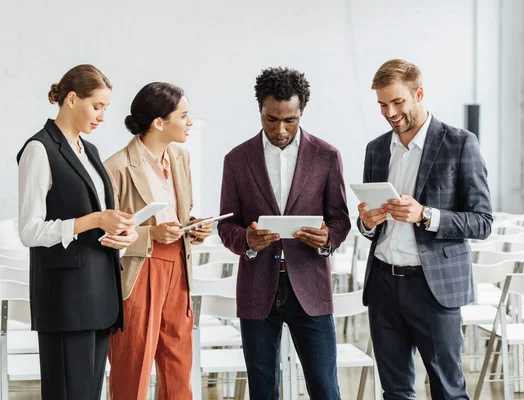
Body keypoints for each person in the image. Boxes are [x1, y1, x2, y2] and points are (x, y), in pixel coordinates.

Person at [358, 59, 493, 399]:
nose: (389, 112)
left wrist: (425, 215)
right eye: (382, 104)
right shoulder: (376, 149)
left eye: (397, 101)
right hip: (384, 285)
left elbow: (482, 221)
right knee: (395, 392)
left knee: (448, 390)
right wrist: (366, 222)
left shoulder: (460, 144)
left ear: (418, 94)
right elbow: (369, 225)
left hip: (433, 289)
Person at [218, 67, 351, 399]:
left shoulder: (326, 156)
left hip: (310, 286)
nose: (279, 129)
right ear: (260, 110)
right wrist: (246, 240)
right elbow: (226, 225)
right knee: (263, 389)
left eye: (289, 120)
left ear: (302, 111)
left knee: (324, 386)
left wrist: (328, 238)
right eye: (271, 119)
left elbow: (340, 219)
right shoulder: (236, 159)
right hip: (257, 287)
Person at [17, 64, 138, 400]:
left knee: (87, 393)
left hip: (99, 294)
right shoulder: (39, 150)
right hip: (66, 299)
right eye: (96, 106)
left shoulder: (90, 152)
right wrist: (95, 219)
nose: (101, 116)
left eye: (105, 109)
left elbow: (98, 223)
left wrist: (121, 238)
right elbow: (29, 230)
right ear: (71, 99)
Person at [104, 82, 212, 400]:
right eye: (184, 115)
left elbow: (182, 212)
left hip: (179, 267)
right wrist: (150, 234)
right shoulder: (117, 167)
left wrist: (193, 227)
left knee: (179, 366)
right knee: (132, 365)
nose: (190, 122)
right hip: (138, 272)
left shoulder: (181, 157)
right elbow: (104, 234)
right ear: (159, 123)